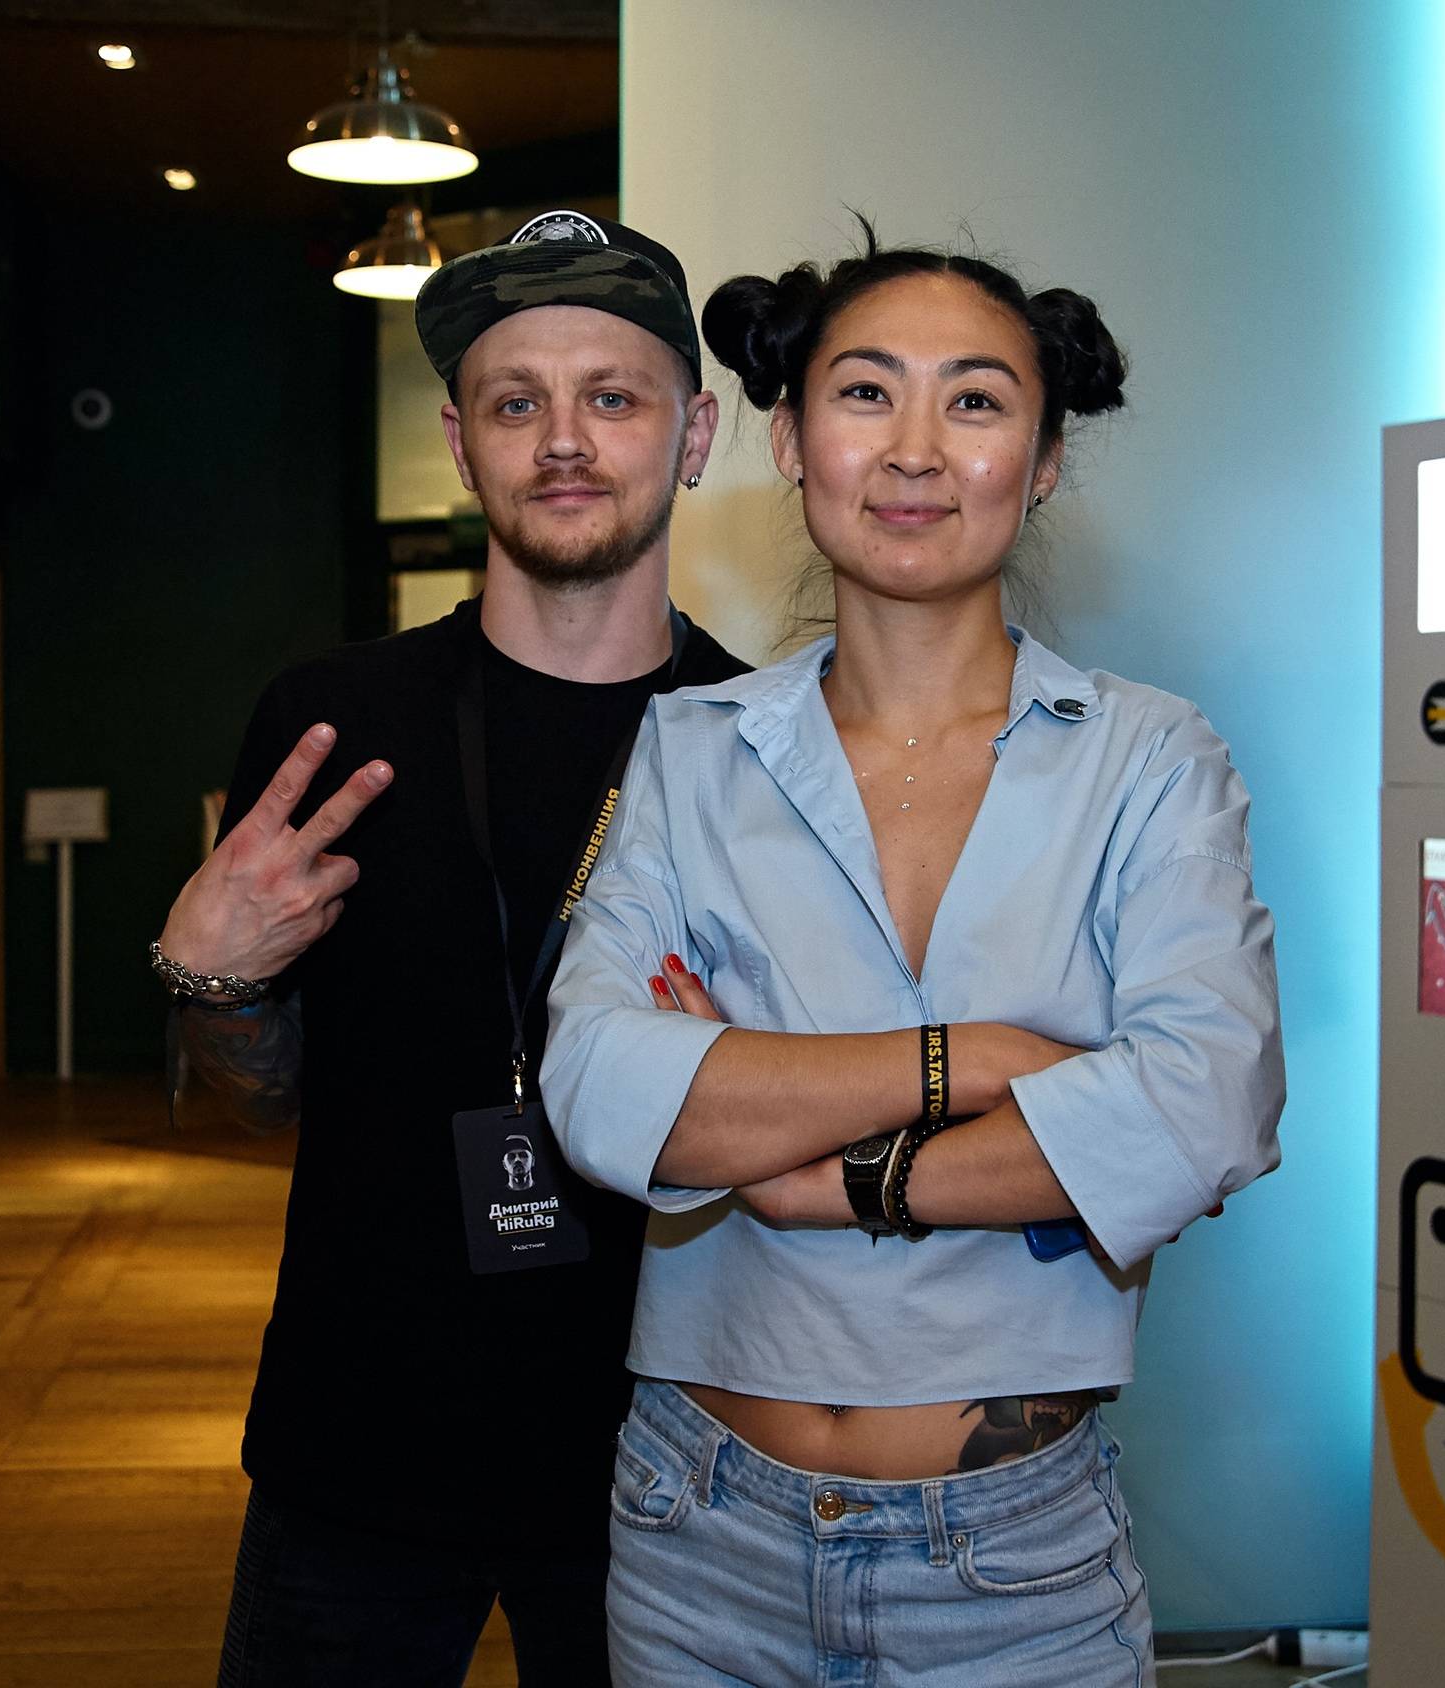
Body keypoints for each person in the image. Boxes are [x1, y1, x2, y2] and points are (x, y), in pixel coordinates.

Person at [540, 227, 1286, 1685]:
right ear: (789, 440)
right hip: (696, 1535)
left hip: (1013, 1561)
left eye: (977, 400)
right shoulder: (690, 748)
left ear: (1044, 460)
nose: (916, 450)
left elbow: (1205, 1108)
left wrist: (821, 1174)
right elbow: (604, 1086)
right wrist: (983, 1064)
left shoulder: (1149, 759)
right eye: (867, 392)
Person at [154, 211, 748, 1688]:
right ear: (461, 444)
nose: (565, 439)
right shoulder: (331, 723)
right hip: (357, 1446)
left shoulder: (766, 748)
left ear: (694, 436)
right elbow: (263, 1097)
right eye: (515, 401)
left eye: (613, 397)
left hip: (670, 1463)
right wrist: (215, 977)